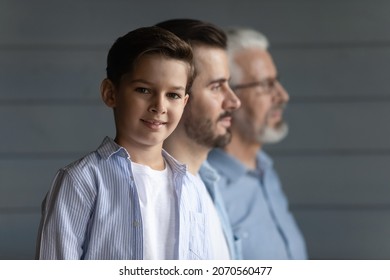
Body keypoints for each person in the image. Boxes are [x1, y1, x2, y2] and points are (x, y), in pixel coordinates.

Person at [35, 26, 215, 260]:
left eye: (173, 95)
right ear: (111, 93)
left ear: (184, 102)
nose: (159, 106)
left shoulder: (191, 188)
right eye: (143, 90)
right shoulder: (81, 181)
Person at [208, 27, 308, 259]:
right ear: (228, 97)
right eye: (265, 85)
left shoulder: (266, 171)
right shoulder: (207, 189)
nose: (282, 96)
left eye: (277, 81)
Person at [156, 19, 242, 259]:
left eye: (229, 84)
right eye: (216, 87)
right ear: (176, 96)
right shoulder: (145, 196)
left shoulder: (208, 182)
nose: (234, 101)